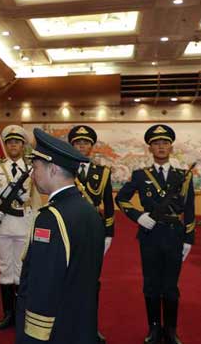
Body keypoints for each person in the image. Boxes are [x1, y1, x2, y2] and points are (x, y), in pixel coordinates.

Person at [16, 128, 104, 344]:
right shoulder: (88, 209)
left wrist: (34, 335)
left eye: (35, 167)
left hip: (55, 329)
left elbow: (43, 282)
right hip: (80, 323)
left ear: (53, 169)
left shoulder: (50, 218)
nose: (33, 174)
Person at [115, 124, 194, 344]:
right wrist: (138, 216)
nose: (161, 146)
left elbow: (188, 209)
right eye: (156, 143)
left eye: (165, 143)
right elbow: (121, 198)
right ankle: (154, 329)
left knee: (170, 286)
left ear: (171, 147)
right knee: (151, 284)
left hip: (174, 235)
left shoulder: (183, 176)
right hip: (149, 237)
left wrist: (189, 238)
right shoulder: (140, 176)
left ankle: (170, 330)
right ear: (150, 148)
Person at [0, 125, 39, 330]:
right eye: (9, 142)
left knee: (22, 270)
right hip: (3, 225)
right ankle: (9, 314)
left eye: (17, 141)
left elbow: (42, 188)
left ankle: (22, 312)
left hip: (24, 224)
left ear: (23, 145)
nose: (13, 144)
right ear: (5, 145)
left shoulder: (33, 167)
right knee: (5, 270)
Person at [68, 124, 114, 343]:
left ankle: (90, 326)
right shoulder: (64, 170)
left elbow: (108, 204)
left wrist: (109, 234)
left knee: (91, 282)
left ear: (92, 147)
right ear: (72, 146)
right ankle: (69, 325)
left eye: (85, 142)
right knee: (67, 278)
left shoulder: (102, 173)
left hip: (94, 232)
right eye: (78, 142)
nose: (82, 146)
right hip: (68, 230)